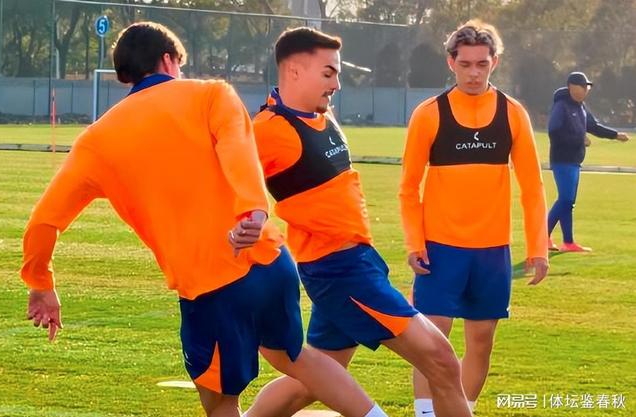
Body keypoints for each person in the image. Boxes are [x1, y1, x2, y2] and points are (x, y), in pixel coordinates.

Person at [20, 21, 389, 417]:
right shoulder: (212, 93)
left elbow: (45, 221)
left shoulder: (95, 141)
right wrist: (253, 211)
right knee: (296, 357)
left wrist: (41, 282)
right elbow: (238, 149)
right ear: (168, 60)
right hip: (270, 260)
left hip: (209, 285)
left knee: (221, 402)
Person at [244, 27, 472, 417]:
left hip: (358, 260)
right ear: (294, 71)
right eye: (328, 73)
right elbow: (226, 180)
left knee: (312, 382)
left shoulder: (321, 116)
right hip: (339, 272)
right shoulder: (267, 129)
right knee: (441, 359)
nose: (337, 84)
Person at [399, 20, 549, 417]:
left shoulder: (513, 113)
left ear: (494, 62)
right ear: (451, 62)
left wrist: (538, 248)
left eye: (482, 64)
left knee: (481, 343)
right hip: (440, 250)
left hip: (492, 251)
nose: (473, 73)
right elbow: (408, 188)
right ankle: (426, 414)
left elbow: (532, 188)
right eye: (465, 64)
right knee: (431, 344)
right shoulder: (429, 114)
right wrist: (414, 243)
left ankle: (462, 411)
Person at [547, 71, 630, 252]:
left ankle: (568, 243)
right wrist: (579, 139)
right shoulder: (561, 106)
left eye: (587, 87)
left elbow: (594, 127)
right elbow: (554, 130)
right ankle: (542, 235)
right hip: (562, 160)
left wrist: (615, 135)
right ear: (572, 87)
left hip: (575, 160)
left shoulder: (581, 107)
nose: (586, 90)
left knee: (568, 202)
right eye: (583, 87)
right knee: (565, 199)